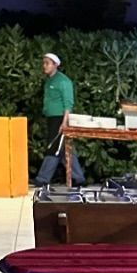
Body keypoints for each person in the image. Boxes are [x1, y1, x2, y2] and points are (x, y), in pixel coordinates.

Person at [34, 52, 84, 186]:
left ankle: (43, 178)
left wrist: (64, 122)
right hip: (51, 118)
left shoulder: (63, 81)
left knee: (54, 147)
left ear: (55, 65)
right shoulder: (49, 81)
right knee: (64, 149)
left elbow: (68, 103)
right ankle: (78, 177)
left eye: (47, 63)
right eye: (44, 63)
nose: (44, 66)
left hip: (59, 118)